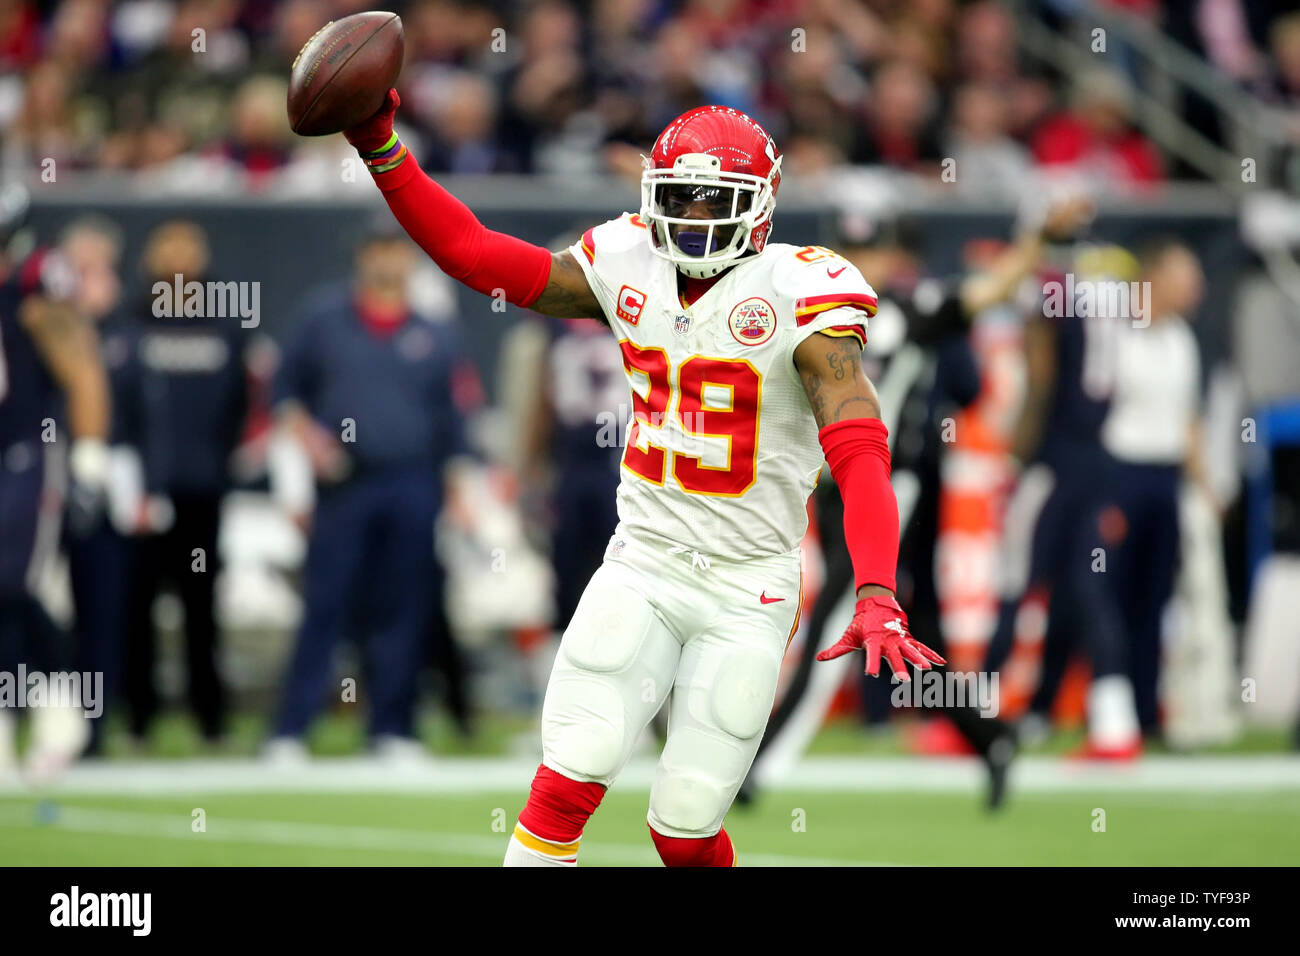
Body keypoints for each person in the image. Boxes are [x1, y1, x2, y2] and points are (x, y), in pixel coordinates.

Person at [341, 92, 943, 867]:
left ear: (759, 205)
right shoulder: (627, 258)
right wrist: (381, 148)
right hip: (645, 560)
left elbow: (859, 448)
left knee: (684, 824)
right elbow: (475, 252)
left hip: (749, 584)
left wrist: (877, 592)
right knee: (567, 778)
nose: (691, 217)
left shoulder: (804, 293)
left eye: (711, 200)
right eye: (677, 198)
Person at [267, 222, 472, 759]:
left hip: (412, 481)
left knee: (403, 609)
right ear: (361, 257)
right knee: (326, 604)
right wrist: (310, 443)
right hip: (345, 484)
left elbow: (452, 421)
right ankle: (291, 730)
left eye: (397, 251)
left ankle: (392, 728)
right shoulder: (324, 320)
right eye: (378, 250)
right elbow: (284, 392)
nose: (387, 261)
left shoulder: (434, 332)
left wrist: (456, 491)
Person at [121, 220, 248, 746]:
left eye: (187, 248)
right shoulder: (131, 320)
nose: (177, 258)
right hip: (143, 488)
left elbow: (239, 401)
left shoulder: (224, 319)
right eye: (166, 247)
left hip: (202, 488)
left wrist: (217, 460)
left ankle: (210, 720)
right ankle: (139, 720)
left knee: (201, 607)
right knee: (137, 605)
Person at [0, 184, 110, 777]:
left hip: (25, 450)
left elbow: (82, 369)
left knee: (12, 582)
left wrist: (90, 460)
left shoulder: (37, 283)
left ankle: (54, 713)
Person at [1102, 238, 1207, 739]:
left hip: (1166, 480)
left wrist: (1202, 484)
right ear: (1155, 277)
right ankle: (1110, 709)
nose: (1195, 288)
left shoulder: (1182, 339)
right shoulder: (1118, 336)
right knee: (1113, 595)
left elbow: (1189, 418)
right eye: (1184, 276)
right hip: (1123, 473)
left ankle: (1146, 712)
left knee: (1156, 599)